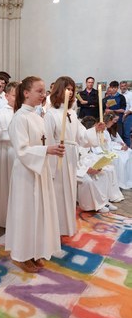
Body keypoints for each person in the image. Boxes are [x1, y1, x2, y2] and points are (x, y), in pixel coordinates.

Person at [5, 76, 64, 274]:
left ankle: (35, 249)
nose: (43, 95)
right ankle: (21, 255)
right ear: (26, 93)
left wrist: (51, 150)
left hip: (40, 170)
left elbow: (42, 142)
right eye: (39, 91)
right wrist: (46, 150)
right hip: (26, 173)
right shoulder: (19, 118)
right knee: (26, 213)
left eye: (44, 91)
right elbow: (21, 150)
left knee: (38, 212)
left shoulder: (38, 116)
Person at [44, 76, 105, 237]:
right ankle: (55, 227)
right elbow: (48, 139)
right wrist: (51, 160)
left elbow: (82, 137)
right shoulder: (51, 114)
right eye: (67, 89)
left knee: (70, 191)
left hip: (71, 156)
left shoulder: (71, 113)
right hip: (58, 155)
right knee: (58, 191)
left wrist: (95, 129)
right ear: (58, 90)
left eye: (72, 89)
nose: (70, 92)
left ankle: (67, 225)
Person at [77, 116, 123, 213]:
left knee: (103, 173)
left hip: (85, 162)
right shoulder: (76, 139)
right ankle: (96, 204)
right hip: (78, 167)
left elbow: (87, 154)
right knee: (92, 178)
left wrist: (96, 165)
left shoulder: (83, 137)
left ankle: (104, 201)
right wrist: (87, 169)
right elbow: (78, 158)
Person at [0, 81, 17, 228]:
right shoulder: (0, 113)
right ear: (6, 96)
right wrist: (16, 134)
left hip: (20, 152)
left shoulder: (24, 111)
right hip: (7, 151)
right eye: (14, 95)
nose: (17, 98)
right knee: (7, 183)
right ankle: (5, 217)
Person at [93, 112, 132, 190]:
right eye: (113, 121)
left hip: (110, 148)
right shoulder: (101, 131)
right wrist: (119, 147)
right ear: (108, 120)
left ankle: (128, 179)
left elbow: (110, 142)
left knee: (129, 152)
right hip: (104, 151)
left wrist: (120, 145)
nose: (114, 123)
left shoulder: (107, 130)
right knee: (120, 158)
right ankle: (120, 181)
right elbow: (105, 146)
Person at [119, 80, 132, 147]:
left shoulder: (130, 94)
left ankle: (129, 150)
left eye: (124, 86)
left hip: (128, 115)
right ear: (120, 87)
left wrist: (125, 115)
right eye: (122, 86)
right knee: (120, 134)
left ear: (127, 86)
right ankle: (122, 149)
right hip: (120, 116)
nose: (123, 87)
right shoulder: (119, 95)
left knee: (126, 134)